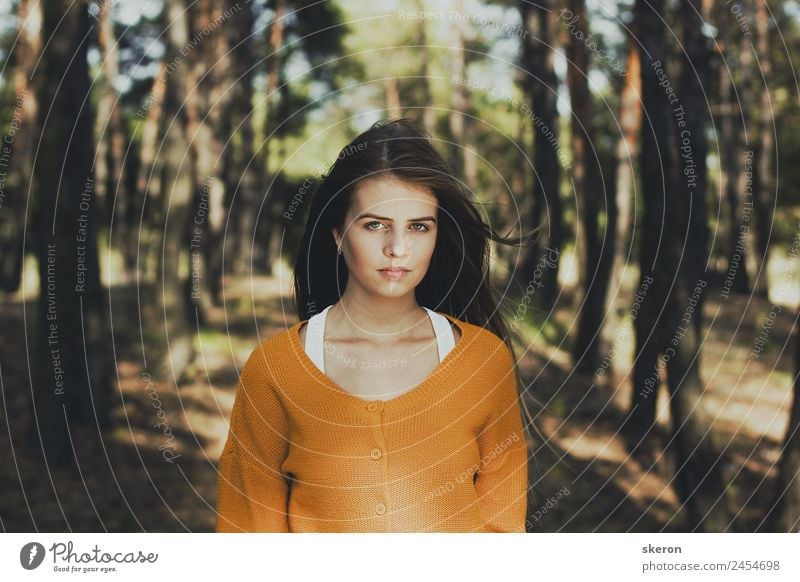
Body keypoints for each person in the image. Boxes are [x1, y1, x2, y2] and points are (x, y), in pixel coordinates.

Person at [216, 118, 538, 532]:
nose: (398, 248)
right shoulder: (274, 370)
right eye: (375, 225)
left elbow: (502, 530)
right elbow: (248, 537)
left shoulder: (484, 361)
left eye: (419, 227)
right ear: (337, 233)